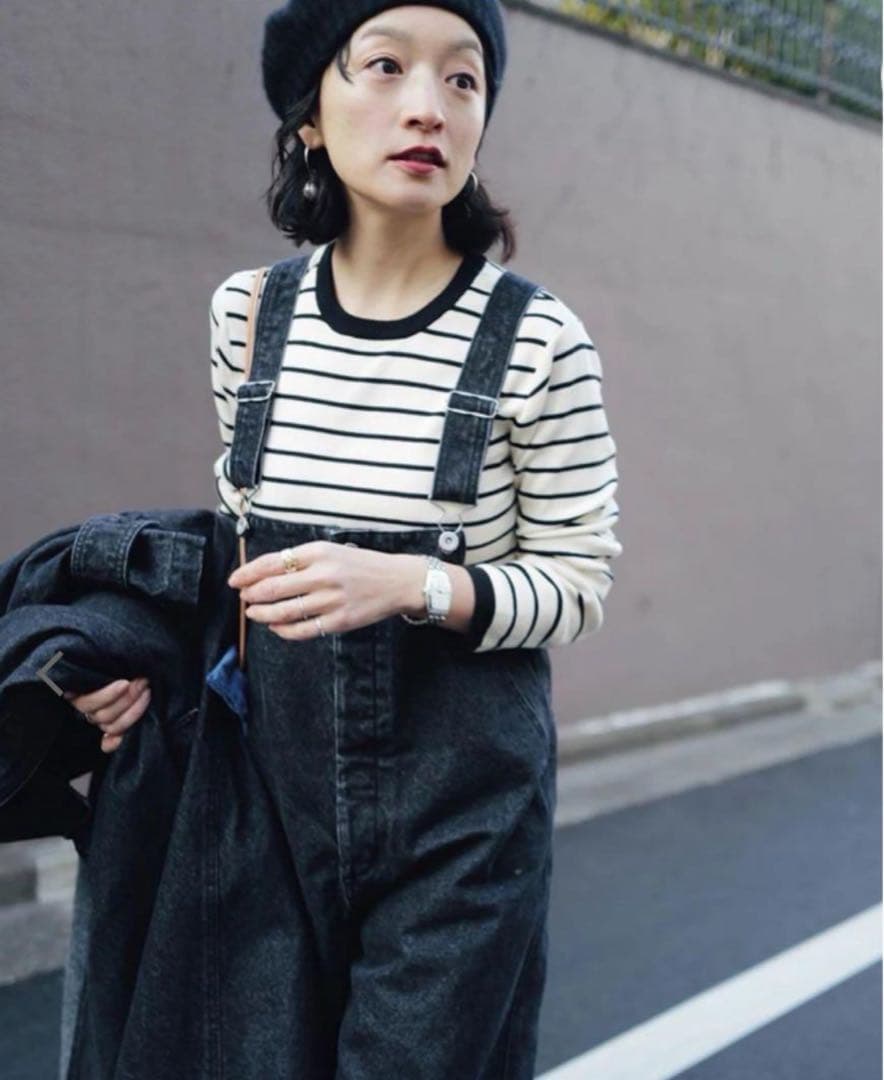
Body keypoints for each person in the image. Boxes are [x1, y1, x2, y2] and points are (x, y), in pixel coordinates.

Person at [67, 2, 622, 1076]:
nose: (428, 107)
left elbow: (577, 581)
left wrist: (414, 584)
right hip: (263, 804)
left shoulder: (536, 337)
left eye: (463, 80)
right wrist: (135, 668)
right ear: (309, 115)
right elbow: (238, 549)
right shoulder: (248, 317)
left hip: (462, 821)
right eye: (385, 66)